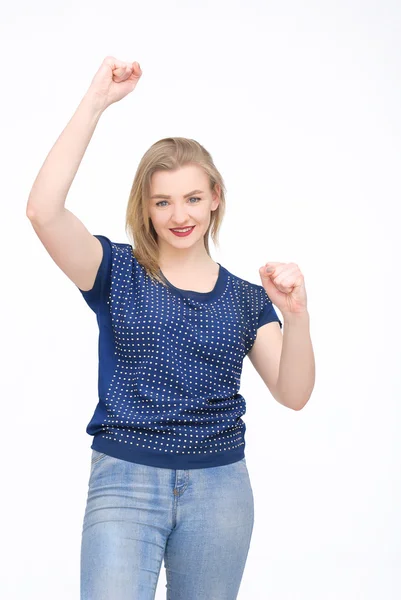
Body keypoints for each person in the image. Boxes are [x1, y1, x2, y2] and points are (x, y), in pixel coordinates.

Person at [26, 56, 314, 600]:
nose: (179, 214)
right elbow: (43, 211)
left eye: (192, 198)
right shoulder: (115, 271)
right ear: (147, 207)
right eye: (163, 201)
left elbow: (294, 393)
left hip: (221, 491)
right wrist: (96, 102)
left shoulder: (248, 301)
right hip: (125, 480)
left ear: (215, 199)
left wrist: (296, 316)